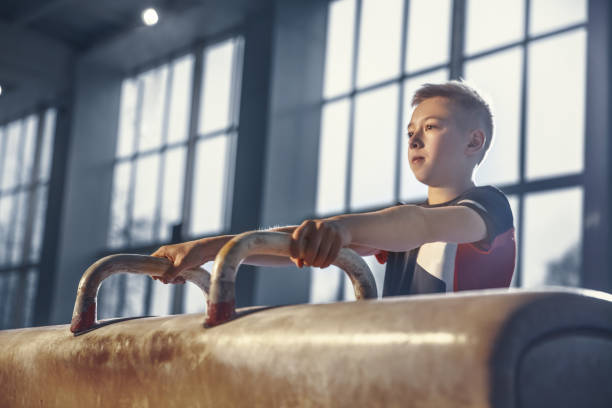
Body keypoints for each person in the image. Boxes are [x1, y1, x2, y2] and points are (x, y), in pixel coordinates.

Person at [152, 80, 516, 296]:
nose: (415, 139)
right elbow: (298, 243)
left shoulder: (488, 208)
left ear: (474, 142)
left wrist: (341, 228)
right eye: (409, 132)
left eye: (432, 127)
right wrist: (210, 249)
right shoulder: (399, 228)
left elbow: (419, 224)